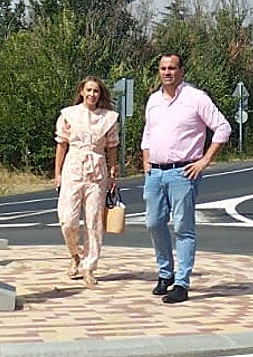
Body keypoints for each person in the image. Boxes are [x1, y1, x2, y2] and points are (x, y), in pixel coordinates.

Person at [140, 53, 232, 304]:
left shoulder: (196, 98)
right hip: (155, 172)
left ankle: (182, 283)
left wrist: (204, 161)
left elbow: (223, 128)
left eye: (172, 68)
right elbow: (148, 133)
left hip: (183, 172)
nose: (167, 72)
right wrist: (146, 161)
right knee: (153, 222)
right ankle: (165, 273)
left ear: (181, 71)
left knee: (183, 227)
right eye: (163, 68)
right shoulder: (153, 100)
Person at [53, 76, 120, 286]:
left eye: (96, 91)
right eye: (89, 90)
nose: (92, 94)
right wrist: (57, 173)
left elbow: (112, 146)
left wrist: (113, 171)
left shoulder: (108, 117)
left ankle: (89, 266)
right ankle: (75, 254)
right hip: (73, 168)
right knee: (68, 220)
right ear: (82, 91)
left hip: (97, 172)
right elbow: (61, 145)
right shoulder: (69, 114)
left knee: (94, 221)